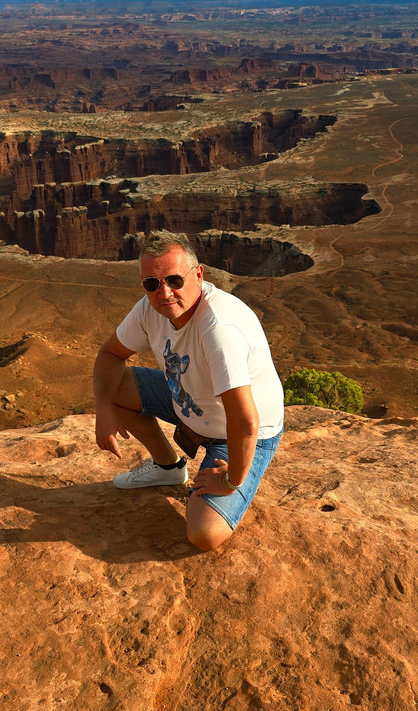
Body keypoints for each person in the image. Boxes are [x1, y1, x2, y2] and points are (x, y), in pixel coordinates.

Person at [93, 229, 284, 551]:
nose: (164, 293)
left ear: (198, 275)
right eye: (151, 284)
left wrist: (231, 480)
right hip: (187, 400)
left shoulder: (219, 330)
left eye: (174, 280)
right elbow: (110, 355)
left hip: (234, 434)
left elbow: (245, 423)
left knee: (204, 534)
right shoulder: (148, 308)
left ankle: (239, 477)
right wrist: (103, 410)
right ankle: (167, 467)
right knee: (114, 386)